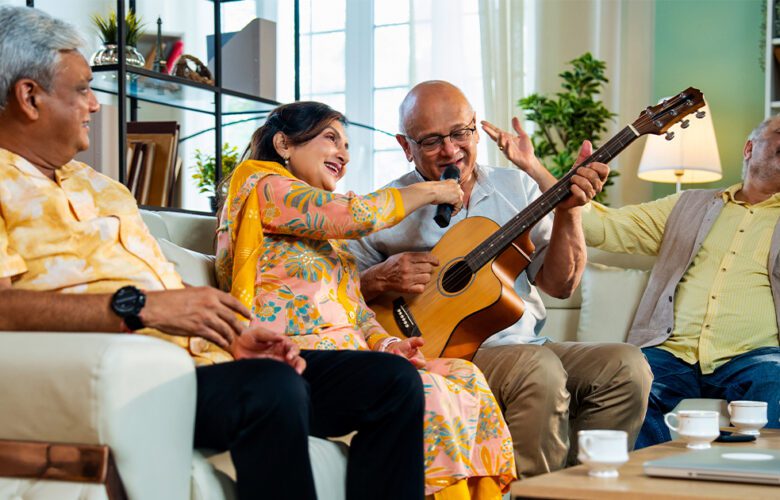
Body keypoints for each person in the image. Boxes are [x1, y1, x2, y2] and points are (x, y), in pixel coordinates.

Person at [0, 6, 427, 499]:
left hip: (202, 365)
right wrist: (140, 307)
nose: (95, 105)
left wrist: (235, 334)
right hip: (126, 375)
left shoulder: (104, 188)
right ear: (29, 97)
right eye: (81, 90)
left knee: (391, 382)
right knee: (272, 389)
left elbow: (161, 285)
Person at [348, 80, 653, 478]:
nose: (452, 150)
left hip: (526, 342)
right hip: (445, 352)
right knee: (537, 368)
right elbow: (338, 294)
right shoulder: (385, 207)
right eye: (431, 141)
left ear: (475, 127)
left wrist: (569, 212)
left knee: (626, 366)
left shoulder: (518, 188)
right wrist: (377, 278)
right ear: (406, 146)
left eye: (460, 133)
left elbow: (560, 285)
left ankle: (578, 487)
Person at [215, 100, 517, 498]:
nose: (343, 152)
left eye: (346, 143)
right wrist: (432, 190)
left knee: (464, 376)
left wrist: (389, 343)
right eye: (330, 138)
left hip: (353, 358)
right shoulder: (262, 186)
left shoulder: (323, 241)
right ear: (285, 144)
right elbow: (353, 214)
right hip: (297, 358)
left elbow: (354, 309)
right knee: (426, 390)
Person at [582, 115, 780, 448]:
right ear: (749, 148)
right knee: (632, 388)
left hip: (755, 356)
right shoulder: (688, 205)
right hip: (671, 351)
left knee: (776, 384)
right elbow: (608, 227)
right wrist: (549, 185)